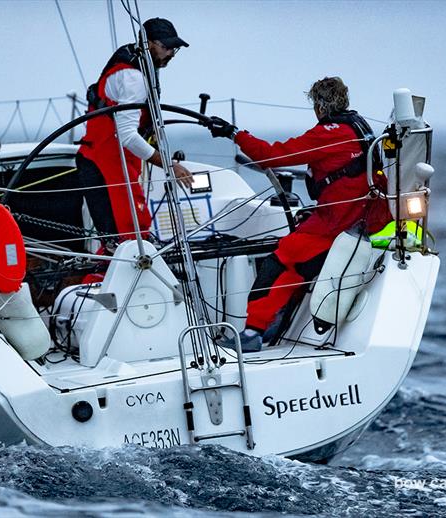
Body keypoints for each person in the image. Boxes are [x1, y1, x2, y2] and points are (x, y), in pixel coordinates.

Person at [207, 76, 392, 352]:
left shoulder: (329, 133)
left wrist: (235, 134)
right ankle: (265, 327)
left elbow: (272, 156)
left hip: (337, 224)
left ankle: (252, 333)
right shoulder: (359, 127)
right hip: (363, 219)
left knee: (280, 260)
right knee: (296, 260)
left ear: (318, 106)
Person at [76, 18, 193, 249]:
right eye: (166, 47)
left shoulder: (144, 65)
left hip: (113, 159)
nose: (172, 53)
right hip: (105, 161)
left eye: (174, 48)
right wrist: (169, 165)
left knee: (127, 234)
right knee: (130, 236)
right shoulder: (133, 77)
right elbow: (127, 135)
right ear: (148, 43)